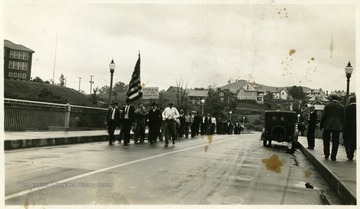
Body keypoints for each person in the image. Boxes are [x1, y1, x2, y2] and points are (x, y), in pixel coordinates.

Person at [320, 94, 345, 161]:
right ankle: (333, 156)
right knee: (335, 141)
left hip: (327, 125)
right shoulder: (342, 107)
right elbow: (343, 118)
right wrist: (342, 126)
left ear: (331, 98)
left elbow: (324, 116)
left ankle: (326, 154)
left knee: (326, 140)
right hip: (337, 126)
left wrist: (321, 125)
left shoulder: (327, 105)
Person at [343, 96, 356, 161]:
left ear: (350, 101)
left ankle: (348, 152)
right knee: (354, 140)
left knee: (346, 140)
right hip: (356, 128)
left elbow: (344, 118)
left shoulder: (347, 108)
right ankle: (351, 152)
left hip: (347, 128)